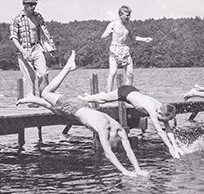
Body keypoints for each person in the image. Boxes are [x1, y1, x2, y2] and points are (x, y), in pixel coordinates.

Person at [16, 51, 149, 177]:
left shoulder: (119, 128)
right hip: (75, 108)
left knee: (57, 110)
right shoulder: (103, 130)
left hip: (82, 107)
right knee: (46, 92)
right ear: (109, 138)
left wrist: (138, 170)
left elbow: (129, 151)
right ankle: (68, 68)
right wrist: (124, 171)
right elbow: (109, 154)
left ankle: (33, 99)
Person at [79, 86, 184, 158]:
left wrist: (175, 146)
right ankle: (84, 99)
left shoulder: (162, 107)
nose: (169, 121)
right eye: (169, 118)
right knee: (103, 99)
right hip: (125, 92)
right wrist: (170, 147)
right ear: (161, 114)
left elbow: (168, 129)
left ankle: (93, 96)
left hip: (134, 92)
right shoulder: (151, 108)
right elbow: (160, 131)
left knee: (104, 99)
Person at [10, 0, 56, 101]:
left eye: (34, 4)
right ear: (24, 5)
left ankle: (44, 97)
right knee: (29, 76)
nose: (33, 7)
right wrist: (22, 51)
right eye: (30, 5)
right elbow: (13, 37)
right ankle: (31, 100)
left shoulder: (38, 17)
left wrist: (49, 48)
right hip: (24, 50)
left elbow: (45, 33)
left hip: (37, 47)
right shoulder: (17, 19)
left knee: (43, 73)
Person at [101, 5, 152, 92]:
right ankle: (109, 94)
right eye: (127, 15)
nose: (129, 17)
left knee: (130, 74)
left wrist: (144, 39)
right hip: (114, 49)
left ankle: (127, 94)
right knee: (113, 73)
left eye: (129, 15)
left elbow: (133, 37)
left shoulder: (129, 25)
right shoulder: (113, 24)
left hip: (124, 49)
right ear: (120, 15)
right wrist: (108, 34)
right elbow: (102, 37)